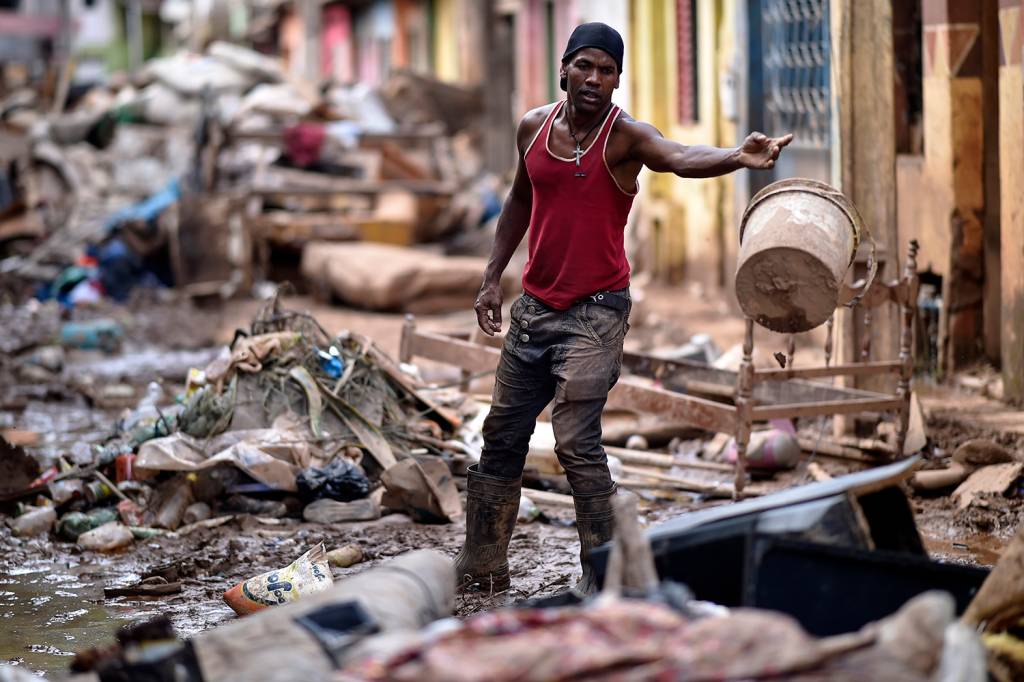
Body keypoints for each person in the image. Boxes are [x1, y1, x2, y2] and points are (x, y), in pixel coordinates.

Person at [455, 22, 792, 595]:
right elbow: (519, 200)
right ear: (564, 67)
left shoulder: (626, 137)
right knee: (502, 437)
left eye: (606, 70)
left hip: (597, 311)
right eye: (584, 66)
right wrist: (492, 278)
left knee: (576, 442)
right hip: (535, 309)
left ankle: (606, 578)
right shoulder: (533, 128)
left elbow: (680, 155)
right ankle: (483, 569)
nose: (594, 78)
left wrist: (738, 156)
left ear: (617, 79)